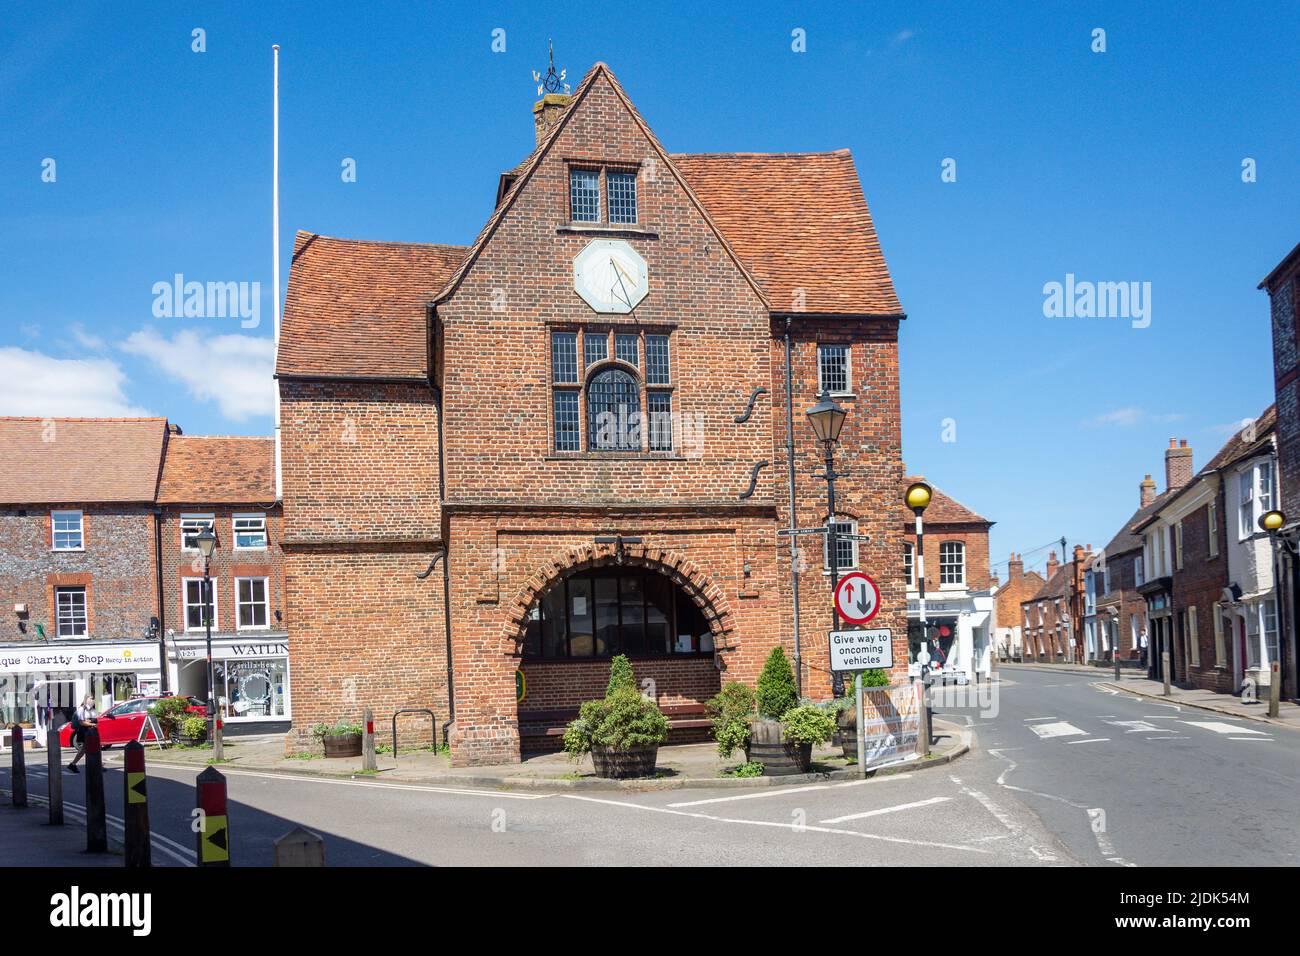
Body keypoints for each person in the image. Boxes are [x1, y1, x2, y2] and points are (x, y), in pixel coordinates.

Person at [67, 694, 98, 773]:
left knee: (85, 749)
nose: (92, 700)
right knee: (89, 748)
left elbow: (86, 719)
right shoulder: (81, 709)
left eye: (93, 699)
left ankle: (73, 764)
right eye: (91, 698)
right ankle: (96, 766)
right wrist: (92, 724)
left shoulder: (89, 709)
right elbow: (81, 722)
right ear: (86, 700)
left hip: (88, 731)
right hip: (84, 731)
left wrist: (90, 721)